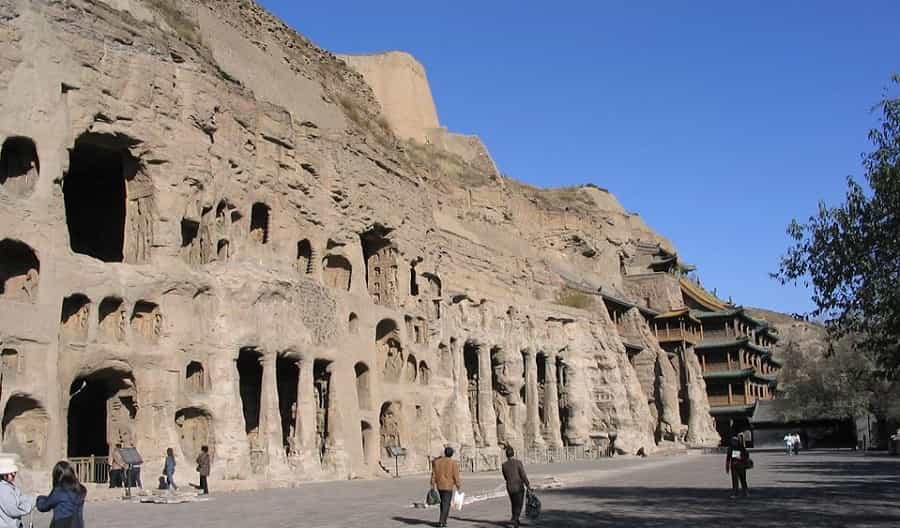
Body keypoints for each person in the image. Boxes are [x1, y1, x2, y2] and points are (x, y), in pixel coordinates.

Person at [36, 460, 86, 528]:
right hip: (77, 524)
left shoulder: (59, 491)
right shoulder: (80, 490)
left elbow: (43, 506)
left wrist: (39, 498)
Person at [0, 454, 35, 528]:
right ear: (4, 474)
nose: (14, 474)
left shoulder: (10, 486)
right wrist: (29, 506)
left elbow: (21, 498)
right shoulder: (3, 490)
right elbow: (14, 511)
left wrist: (32, 499)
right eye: (12, 473)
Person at [430, 446, 462, 528]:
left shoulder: (437, 462)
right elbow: (456, 475)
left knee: (442, 503)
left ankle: (443, 521)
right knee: (446, 504)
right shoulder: (453, 463)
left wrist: (432, 484)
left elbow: (433, 474)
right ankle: (441, 521)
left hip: (440, 485)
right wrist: (458, 485)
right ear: (451, 454)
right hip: (448, 486)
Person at [501, 446, 530, 528]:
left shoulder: (504, 465)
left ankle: (516, 522)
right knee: (519, 504)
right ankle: (515, 518)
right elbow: (523, 475)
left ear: (506, 455)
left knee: (513, 504)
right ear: (513, 453)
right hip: (518, 486)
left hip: (509, 487)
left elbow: (505, 477)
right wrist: (528, 484)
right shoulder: (518, 463)